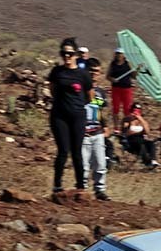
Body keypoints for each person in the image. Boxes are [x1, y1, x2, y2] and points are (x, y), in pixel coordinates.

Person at [47, 38, 92, 197]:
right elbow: (52, 90)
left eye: (70, 53)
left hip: (78, 116)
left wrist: (77, 105)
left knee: (77, 152)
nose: (67, 56)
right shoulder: (56, 72)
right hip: (59, 115)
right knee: (63, 151)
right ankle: (57, 185)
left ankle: (81, 185)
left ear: (75, 54)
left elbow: (89, 96)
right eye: (64, 53)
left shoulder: (83, 74)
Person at [82, 58, 110, 200]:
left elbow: (101, 111)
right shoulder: (79, 89)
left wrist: (105, 125)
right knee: (84, 165)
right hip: (82, 132)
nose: (94, 74)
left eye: (97, 71)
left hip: (97, 131)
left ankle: (100, 190)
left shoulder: (100, 92)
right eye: (91, 71)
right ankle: (82, 191)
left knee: (100, 163)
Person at [107, 48, 136, 123]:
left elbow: (134, 76)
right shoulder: (113, 64)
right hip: (116, 88)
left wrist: (136, 70)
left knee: (127, 108)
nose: (119, 55)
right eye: (117, 53)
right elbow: (108, 76)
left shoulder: (128, 63)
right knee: (116, 108)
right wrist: (112, 79)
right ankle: (116, 127)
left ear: (123, 55)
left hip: (126, 89)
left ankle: (126, 126)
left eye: (120, 53)